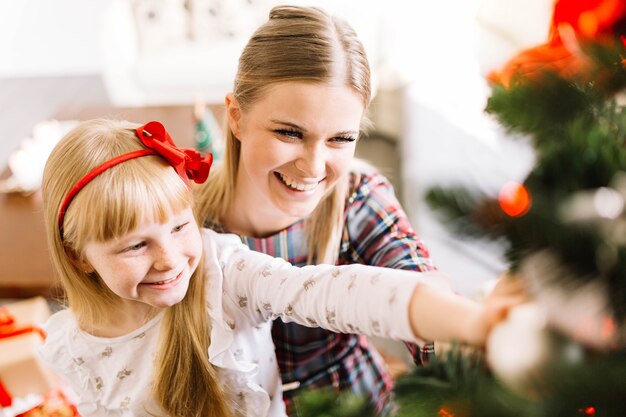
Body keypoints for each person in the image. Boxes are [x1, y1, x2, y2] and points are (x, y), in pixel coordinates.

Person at [38, 118, 521, 417]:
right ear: (79, 255)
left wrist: (472, 322)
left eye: (180, 227)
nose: (169, 259)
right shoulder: (68, 345)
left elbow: (332, 293)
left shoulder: (224, 273)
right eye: (136, 245)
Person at [193, 5, 435, 415]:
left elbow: (416, 282)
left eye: (341, 138)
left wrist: (463, 336)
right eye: (289, 132)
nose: (315, 167)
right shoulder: (186, 223)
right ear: (236, 116)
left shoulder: (359, 196)